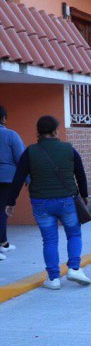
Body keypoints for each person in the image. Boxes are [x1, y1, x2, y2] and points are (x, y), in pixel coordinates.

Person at [5, 116, 91, 290]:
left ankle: (53, 278)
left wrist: (11, 202)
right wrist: (84, 195)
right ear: (55, 131)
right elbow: (80, 174)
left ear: (38, 132)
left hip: (41, 203)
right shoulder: (69, 149)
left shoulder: (30, 152)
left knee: (49, 240)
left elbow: (18, 178)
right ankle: (74, 268)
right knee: (74, 234)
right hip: (67, 201)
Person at [0, 106, 24, 261]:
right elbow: (21, 159)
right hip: (6, 179)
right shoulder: (10, 135)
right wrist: (28, 179)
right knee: (2, 211)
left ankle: (4, 243)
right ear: (3, 119)